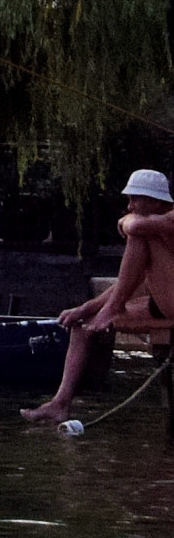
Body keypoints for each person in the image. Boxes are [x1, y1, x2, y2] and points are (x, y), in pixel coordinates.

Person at [24, 168, 174, 424]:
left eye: (135, 199)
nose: (129, 206)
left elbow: (135, 225)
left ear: (156, 201)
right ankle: (60, 403)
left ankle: (111, 309)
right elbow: (130, 281)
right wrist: (86, 308)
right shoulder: (152, 236)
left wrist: (126, 222)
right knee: (82, 327)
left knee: (138, 234)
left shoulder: (168, 220)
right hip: (163, 302)